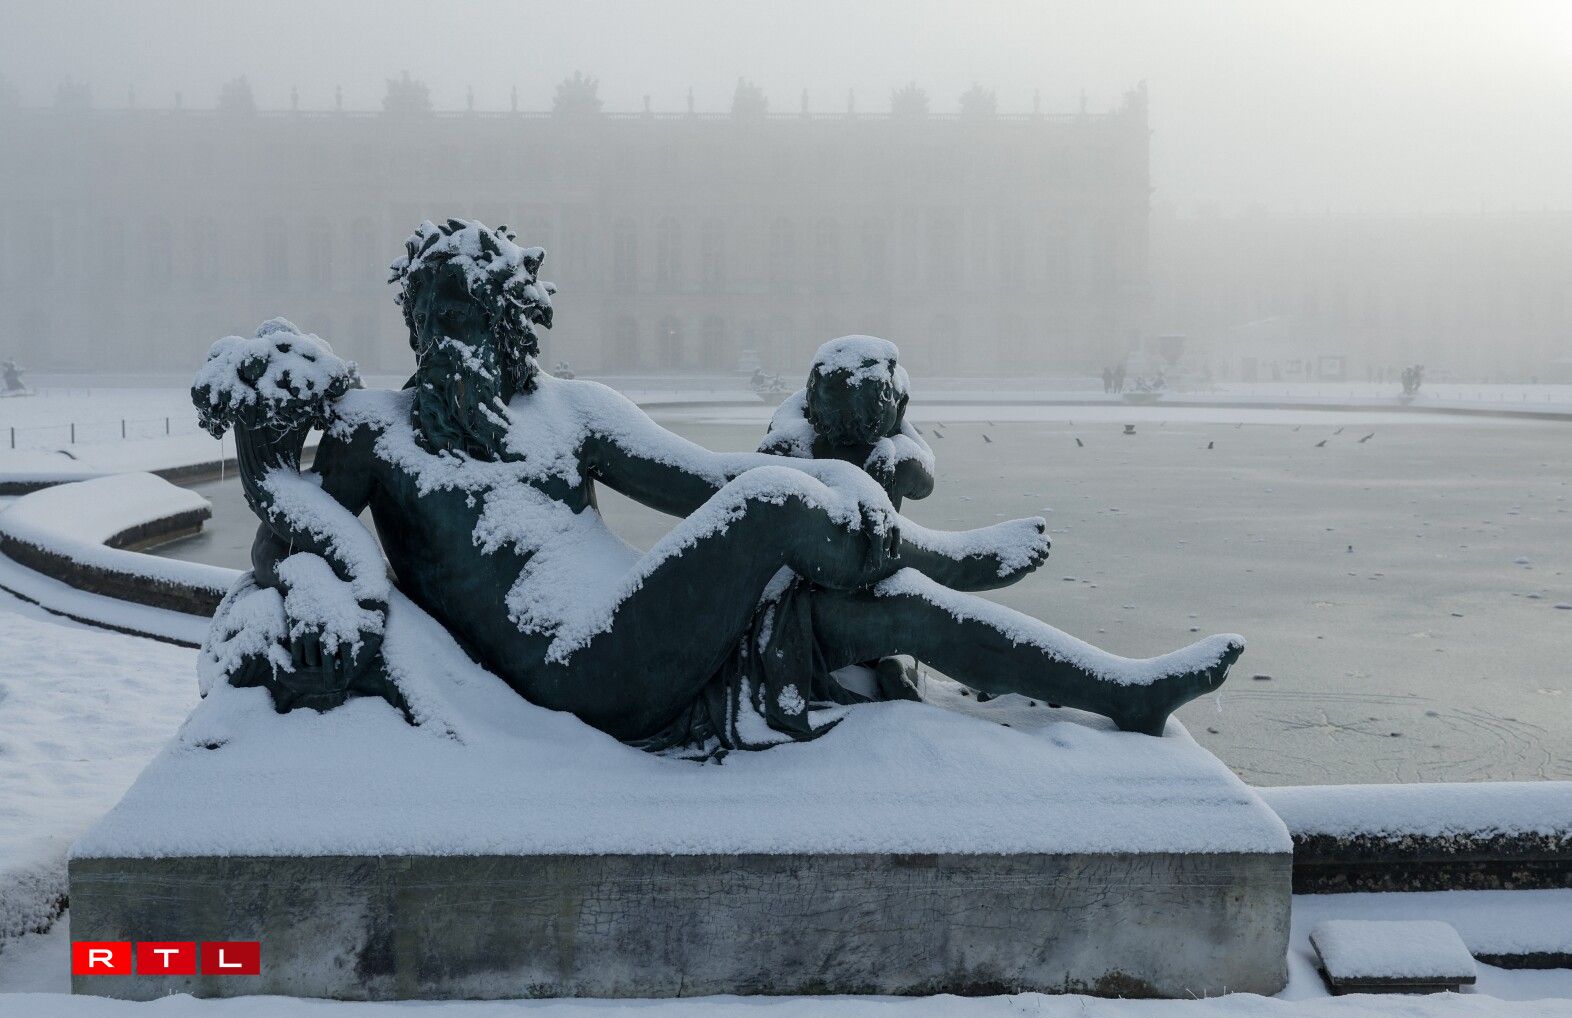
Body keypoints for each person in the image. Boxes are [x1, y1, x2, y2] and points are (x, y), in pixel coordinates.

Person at [232, 220, 1243, 754]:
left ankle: (1125, 691)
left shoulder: (571, 410)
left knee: (872, 607)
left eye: (478, 315)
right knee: (776, 509)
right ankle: (954, 556)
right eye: (437, 315)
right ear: (417, 323)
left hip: (644, 632)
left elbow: (711, 477)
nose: (455, 337)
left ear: (512, 323)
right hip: (572, 668)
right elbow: (310, 544)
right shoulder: (377, 431)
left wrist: (830, 483)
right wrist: (265, 473)